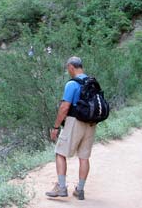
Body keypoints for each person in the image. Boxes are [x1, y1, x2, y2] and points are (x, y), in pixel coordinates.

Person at [45, 56, 96, 201]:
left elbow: (64, 107)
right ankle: (80, 190)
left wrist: (56, 127)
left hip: (75, 122)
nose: (68, 71)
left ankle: (61, 187)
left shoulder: (72, 84)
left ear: (71, 67)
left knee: (60, 152)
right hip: (91, 123)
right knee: (84, 157)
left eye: (68, 69)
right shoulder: (91, 82)